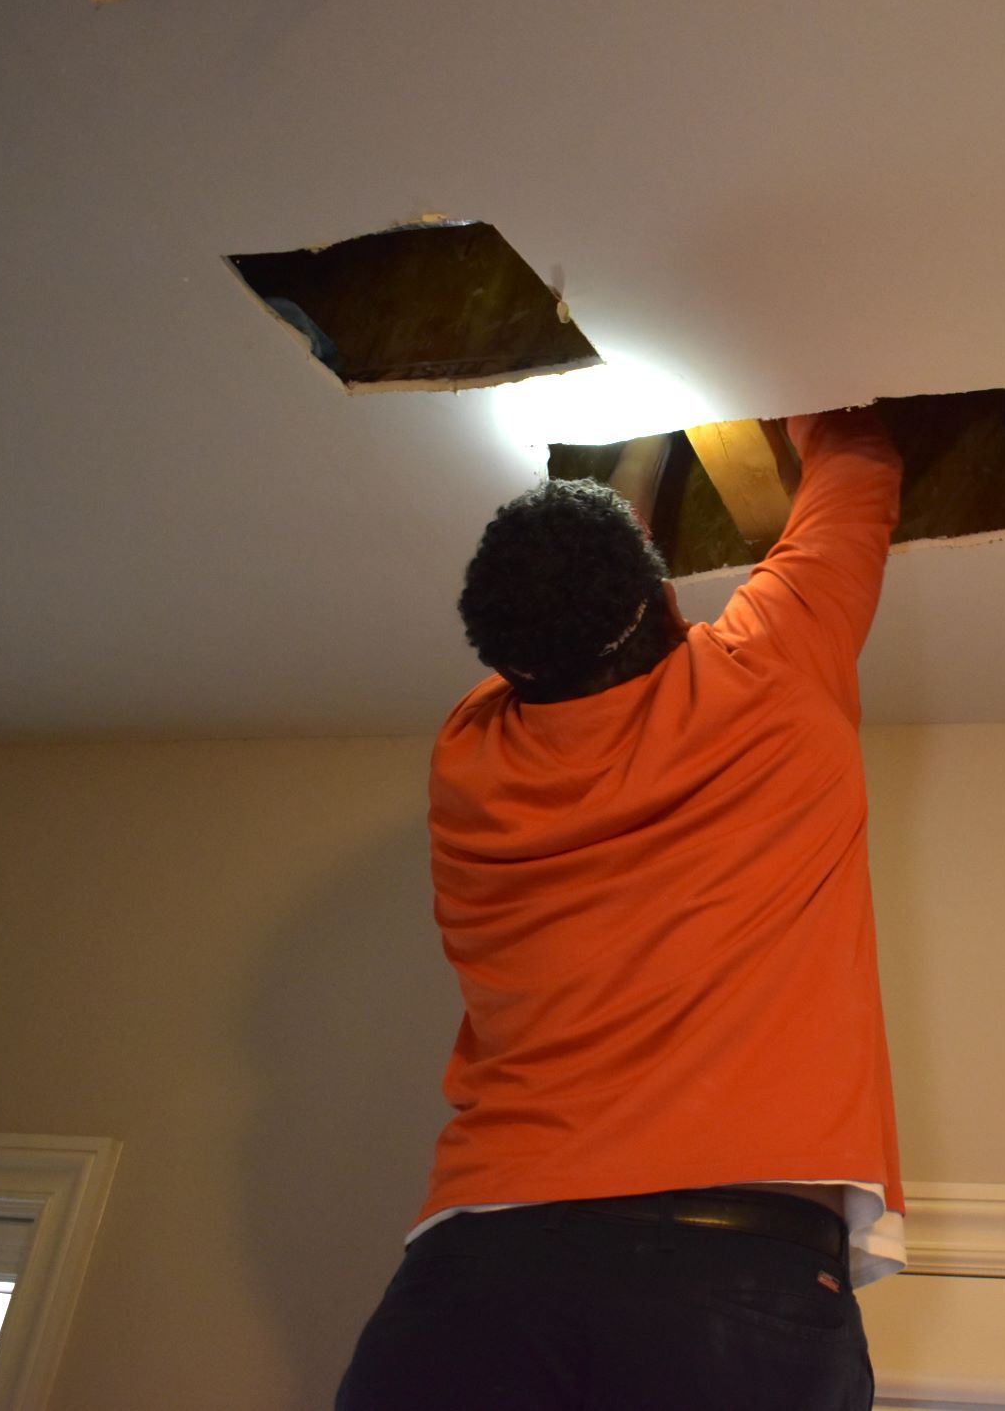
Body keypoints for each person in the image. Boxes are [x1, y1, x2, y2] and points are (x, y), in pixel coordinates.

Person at [336, 406, 906, 1410]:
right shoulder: (765, 673)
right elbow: (857, 455)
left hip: (479, 1265)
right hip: (725, 1271)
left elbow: (577, 626)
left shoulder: (468, 754)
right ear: (660, 597)